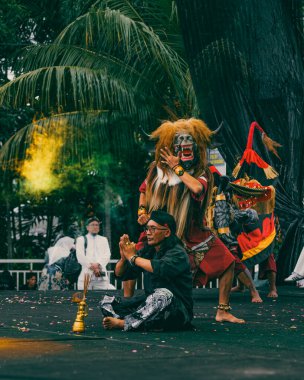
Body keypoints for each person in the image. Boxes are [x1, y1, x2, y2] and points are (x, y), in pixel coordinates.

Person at [127, 118, 245, 323]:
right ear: (170, 146)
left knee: (228, 262)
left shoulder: (203, 171)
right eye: (179, 141)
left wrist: (178, 168)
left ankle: (222, 311)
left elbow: (197, 188)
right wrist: (142, 211)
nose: (184, 144)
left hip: (192, 230)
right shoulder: (157, 169)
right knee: (131, 259)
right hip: (160, 229)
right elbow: (144, 191)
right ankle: (126, 304)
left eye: (189, 141)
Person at [100, 210, 193, 331]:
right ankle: (140, 321)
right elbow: (121, 274)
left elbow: (160, 268)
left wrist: (132, 257)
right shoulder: (148, 250)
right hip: (151, 305)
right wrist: (124, 258)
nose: (148, 233)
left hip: (176, 311)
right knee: (106, 302)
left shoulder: (178, 253)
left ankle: (125, 323)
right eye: (147, 229)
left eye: (153, 229)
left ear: (167, 232)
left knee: (162, 295)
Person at [76, 217, 115, 290]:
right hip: (85, 276)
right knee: (84, 298)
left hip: (101, 277)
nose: (95, 227)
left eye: (97, 225)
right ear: (87, 227)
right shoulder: (81, 239)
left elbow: (107, 255)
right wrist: (93, 267)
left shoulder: (104, 239)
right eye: (93, 225)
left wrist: (98, 264)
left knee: (103, 297)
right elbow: (80, 257)